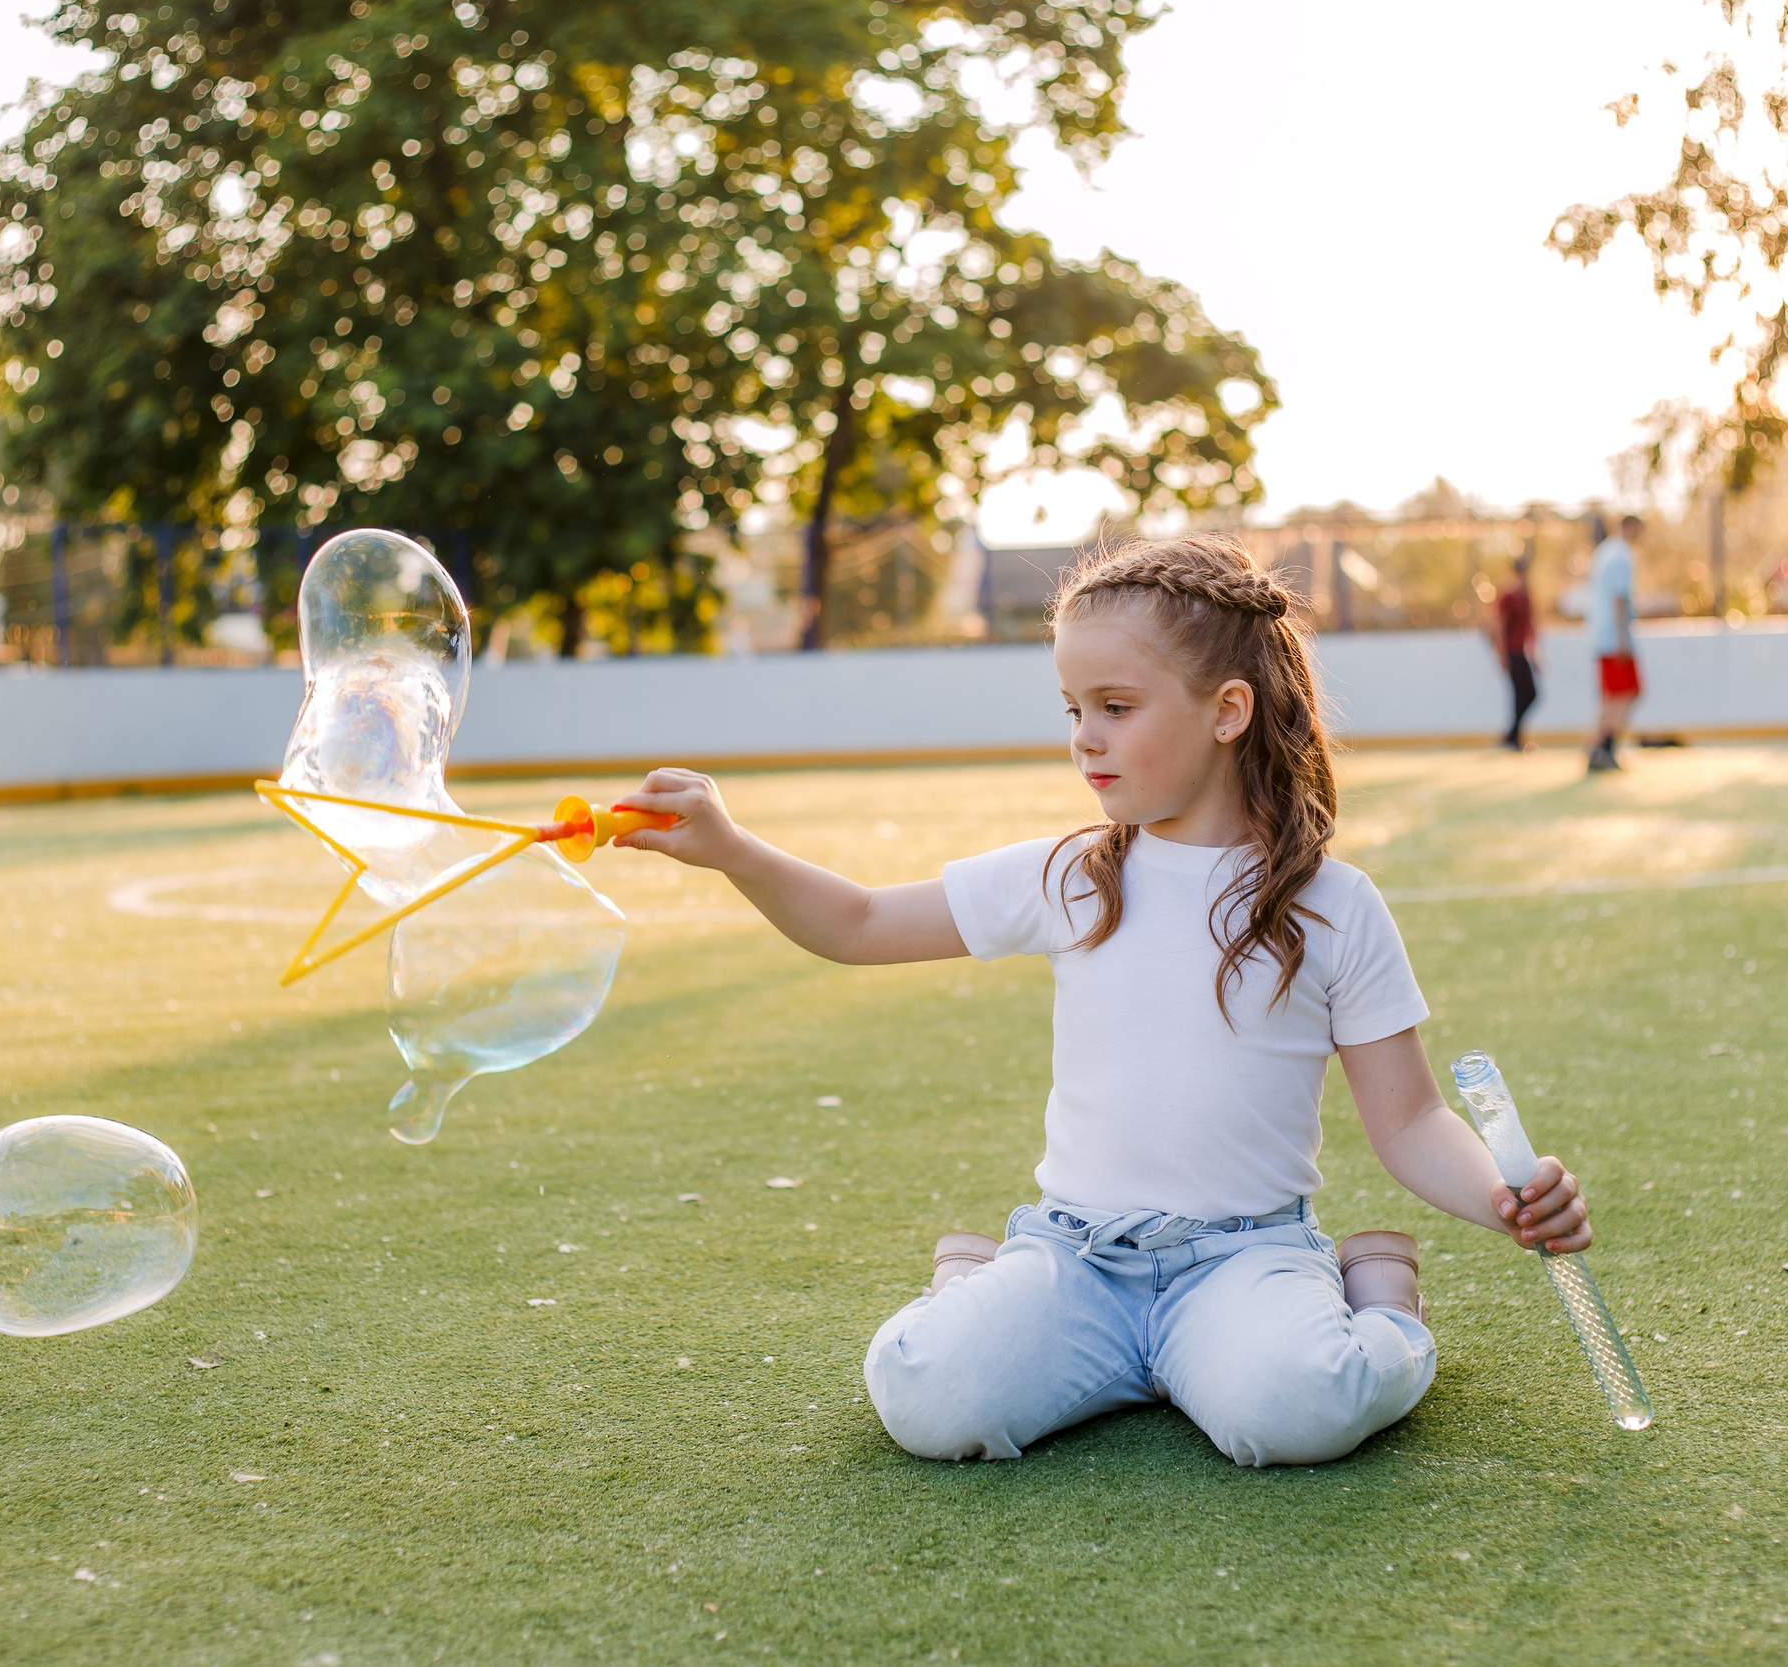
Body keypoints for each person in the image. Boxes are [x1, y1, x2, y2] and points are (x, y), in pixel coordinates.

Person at [614, 536, 1592, 1468]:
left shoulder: (1333, 906)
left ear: (1227, 710)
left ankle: (1381, 1302)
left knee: (1303, 1408)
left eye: (1115, 705)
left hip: (1240, 1262)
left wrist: (1499, 1197)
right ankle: (975, 1283)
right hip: (1075, 1262)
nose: (1084, 738)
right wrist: (732, 848)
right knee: (923, 1394)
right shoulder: (1070, 877)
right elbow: (860, 924)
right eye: (1072, 709)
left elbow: (1411, 1119)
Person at [1587, 514, 1644, 772]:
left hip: (1602, 635)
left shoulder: (1603, 552)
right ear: (1630, 527)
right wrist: (1622, 639)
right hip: (1615, 637)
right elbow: (1618, 598)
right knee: (1627, 691)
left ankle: (1599, 747)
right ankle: (1602, 746)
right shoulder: (1621, 555)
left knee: (1614, 694)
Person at [1486, 554, 1538, 750]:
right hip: (1511, 651)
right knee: (1520, 694)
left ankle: (1512, 735)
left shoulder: (1525, 594)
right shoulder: (1508, 595)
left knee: (1529, 694)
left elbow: (1531, 626)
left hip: (1522, 651)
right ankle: (1512, 737)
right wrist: (1501, 655)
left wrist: (1534, 653)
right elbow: (1498, 626)